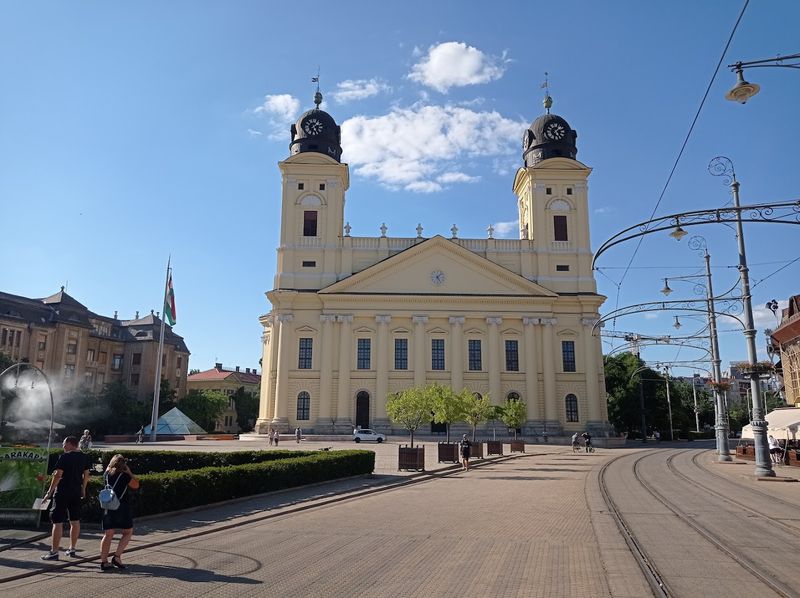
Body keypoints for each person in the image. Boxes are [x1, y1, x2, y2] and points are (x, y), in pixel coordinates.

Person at [41, 436, 90, 560]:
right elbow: (86, 474)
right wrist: (83, 489)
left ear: (70, 444)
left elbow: (58, 475)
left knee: (57, 522)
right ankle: (72, 548)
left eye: (64, 444)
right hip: (76, 492)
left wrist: (49, 492)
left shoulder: (64, 457)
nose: (63, 446)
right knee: (75, 520)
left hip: (62, 492)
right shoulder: (84, 457)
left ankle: (54, 552)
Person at [99, 454, 140, 571]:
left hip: (108, 507)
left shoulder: (106, 475)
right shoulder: (125, 476)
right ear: (124, 465)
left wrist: (109, 466)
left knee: (108, 534)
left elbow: (107, 470)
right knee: (127, 532)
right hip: (122, 507)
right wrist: (129, 472)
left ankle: (104, 562)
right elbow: (136, 485)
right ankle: (117, 557)